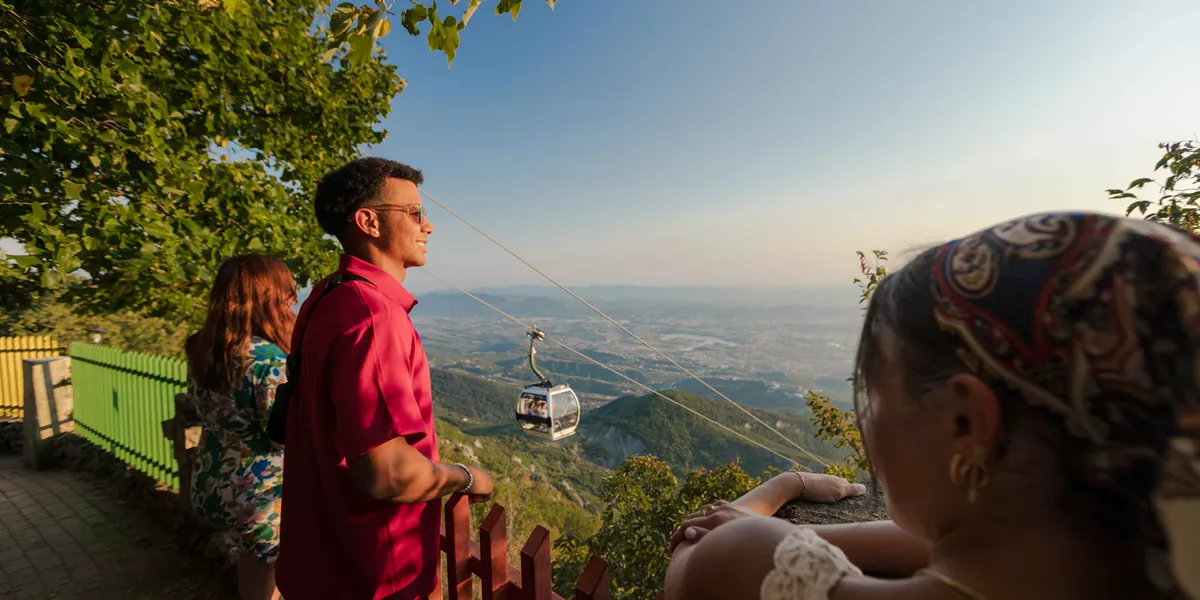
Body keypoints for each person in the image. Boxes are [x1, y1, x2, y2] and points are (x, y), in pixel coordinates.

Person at [665, 212, 1200, 600]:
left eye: (874, 392)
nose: (865, 415)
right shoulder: (1139, 559)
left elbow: (696, 556)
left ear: (964, 422)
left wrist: (783, 490)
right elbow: (964, 540)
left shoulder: (744, 563)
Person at [275, 158, 494, 600]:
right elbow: (388, 474)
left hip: (318, 561)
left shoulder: (325, 296)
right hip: (375, 574)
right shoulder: (374, 317)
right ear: (369, 221)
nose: (428, 226)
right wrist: (468, 477)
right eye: (414, 213)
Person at [185, 254, 297, 600]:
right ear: (271, 298)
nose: (293, 301)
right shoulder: (268, 359)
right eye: (288, 294)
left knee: (254, 567)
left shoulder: (204, 349)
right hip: (260, 493)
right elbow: (280, 437)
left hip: (211, 478)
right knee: (273, 582)